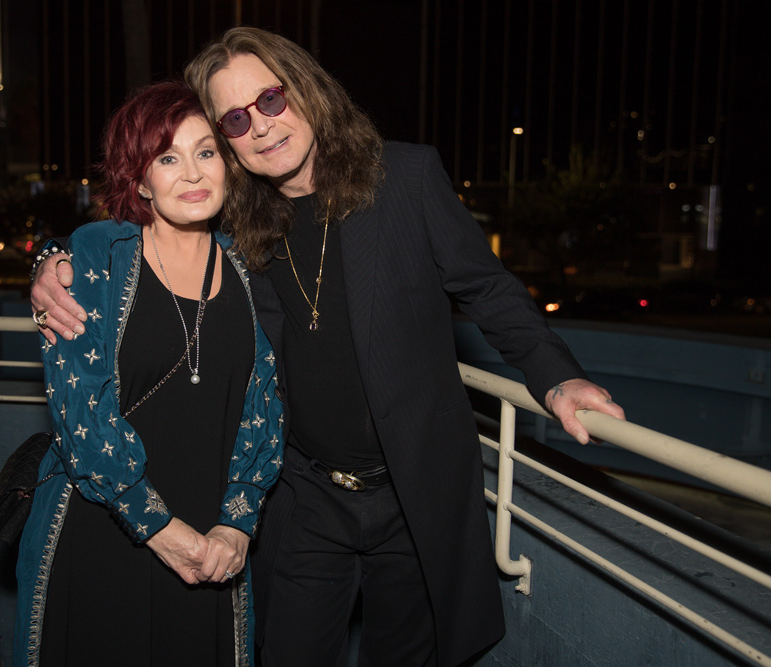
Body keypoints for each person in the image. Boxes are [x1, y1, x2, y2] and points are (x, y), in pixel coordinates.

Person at [31, 28, 626, 667]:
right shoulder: (235, 222)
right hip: (304, 493)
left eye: (270, 100)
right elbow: (137, 229)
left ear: (306, 90)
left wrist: (555, 377)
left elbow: (487, 289)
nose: (259, 126)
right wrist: (47, 266)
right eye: (233, 120)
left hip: (412, 494)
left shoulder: (406, 177)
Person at [16, 80, 283, 667]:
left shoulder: (249, 267)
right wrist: (160, 528)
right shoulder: (96, 256)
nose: (192, 173)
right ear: (139, 179)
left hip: (212, 546)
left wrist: (237, 524)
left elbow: (263, 408)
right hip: (104, 532)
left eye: (206, 151)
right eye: (168, 157)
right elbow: (79, 409)